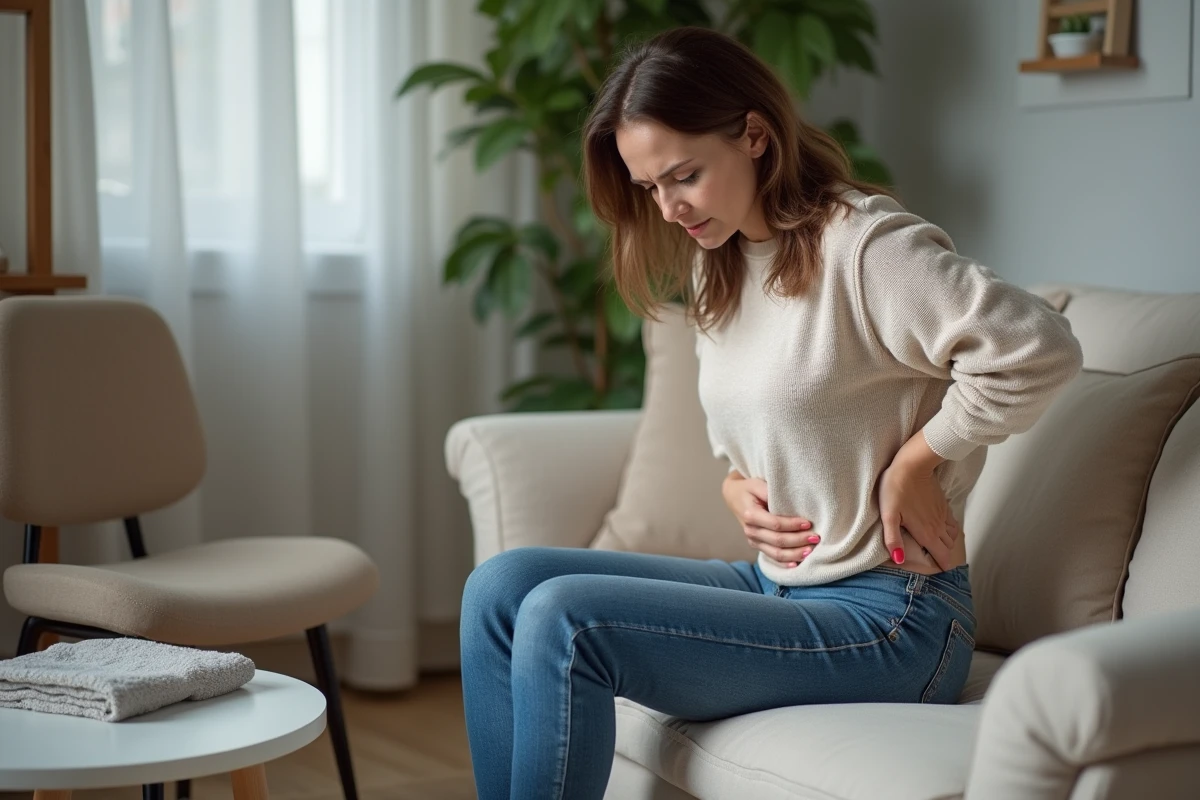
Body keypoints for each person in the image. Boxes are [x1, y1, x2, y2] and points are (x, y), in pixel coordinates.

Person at [458, 26, 1083, 800]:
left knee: (566, 619)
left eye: (684, 175)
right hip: (780, 586)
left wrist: (924, 457)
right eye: (651, 187)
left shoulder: (866, 247)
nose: (669, 206)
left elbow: (1040, 348)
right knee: (502, 588)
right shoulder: (716, 261)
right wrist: (735, 487)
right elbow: (748, 433)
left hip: (896, 616)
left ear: (754, 135)